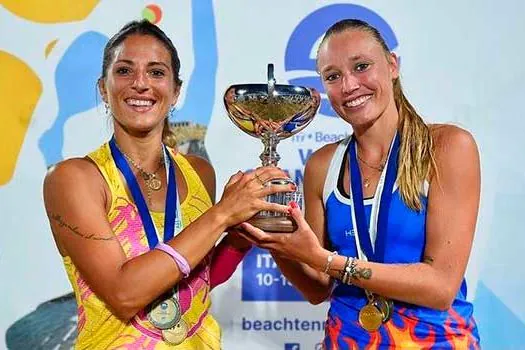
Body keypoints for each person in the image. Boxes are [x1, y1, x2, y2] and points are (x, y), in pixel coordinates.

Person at [43, 19, 292, 349]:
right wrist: (221, 215)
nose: (141, 84)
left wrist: (238, 236)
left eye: (157, 72)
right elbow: (124, 293)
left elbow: (197, 281)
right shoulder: (74, 178)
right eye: (124, 71)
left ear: (175, 91)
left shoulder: (199, 171)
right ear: (104, 88)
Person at [239, 19, 481, 349]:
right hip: (347, 340)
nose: (349, 86)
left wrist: (328, 261)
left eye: (361, 66)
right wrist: (275, 241)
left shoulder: (447, 147)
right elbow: (317, 289)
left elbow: (440, 288)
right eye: (333, 77)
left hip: (435, 341)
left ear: (392, 66)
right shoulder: (323, 165)